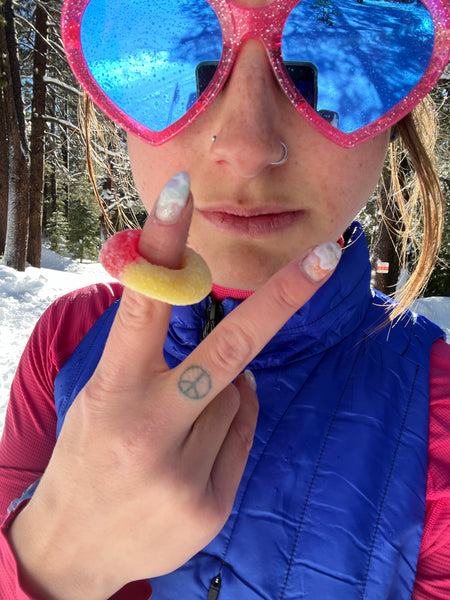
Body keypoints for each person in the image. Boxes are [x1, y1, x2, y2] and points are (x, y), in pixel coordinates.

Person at [0, 0, 449, 598]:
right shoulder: (67, 339)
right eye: (191, 74)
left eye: (317, 68)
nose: (246, 147)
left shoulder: (438, 406)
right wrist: (50, 564)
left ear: (394, 118)